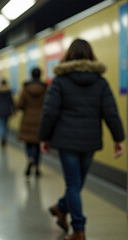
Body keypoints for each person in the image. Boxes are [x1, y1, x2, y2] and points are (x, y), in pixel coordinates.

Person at [38, 39, 125, 240]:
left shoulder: (60, 80)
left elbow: (49, 112)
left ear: (69, 55)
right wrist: (118, 138)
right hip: (90, 140)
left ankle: (68, 217)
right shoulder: (100, 81)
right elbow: (110, 112)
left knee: (73, 184)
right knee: (76, 184)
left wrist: (44, 137)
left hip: (66, 140)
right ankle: (73, 223)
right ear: (91, 55)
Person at [17, 67, 47, 177]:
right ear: (40, 75)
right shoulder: (45, 89)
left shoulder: (26, 88)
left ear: (31, 75)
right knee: (39, 144)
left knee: (28, 143)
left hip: (28, 119)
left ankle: (30, 158)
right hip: (40, 119)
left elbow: (20, 104)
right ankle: (38, 166)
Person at [0, 79, 15, 147]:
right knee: (6, 125)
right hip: (7, 110)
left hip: (0, 110)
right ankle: (5, 137)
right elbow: (11, 102)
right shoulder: (9, 92)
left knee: (1, 125)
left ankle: (2, 138)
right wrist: (14, 110)